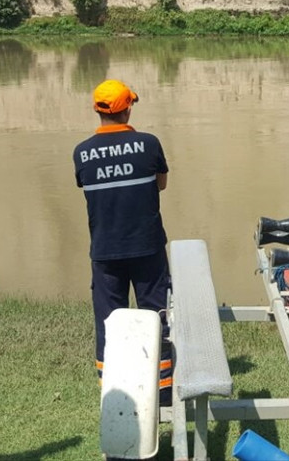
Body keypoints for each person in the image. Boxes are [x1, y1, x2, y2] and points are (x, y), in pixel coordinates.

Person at [72, 80, 170, 383]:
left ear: (97, 110)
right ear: (127, 109)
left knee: (109, 321)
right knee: (157, 316)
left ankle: (111, 387)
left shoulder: (81, 153)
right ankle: (163, 387)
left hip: (105, 250)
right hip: (148, 248)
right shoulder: (149, 144)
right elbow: (161, 184)